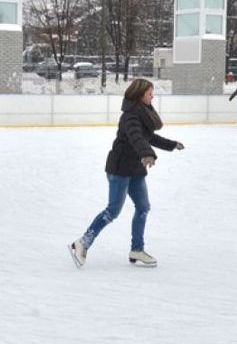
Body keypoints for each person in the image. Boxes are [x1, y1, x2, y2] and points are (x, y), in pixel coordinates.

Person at [69, 78, 184, 269]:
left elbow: (150, 137)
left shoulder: (143, 113)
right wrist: (147, 153)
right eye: (149, 93)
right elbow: (136, 137)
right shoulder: (130, 116)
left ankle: (137, 249)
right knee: (113, 211)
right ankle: (82, 243)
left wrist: (171, 145)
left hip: (135, 170)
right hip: (120, 168)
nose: (152, 96)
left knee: (143, 207)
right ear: (140, 95)